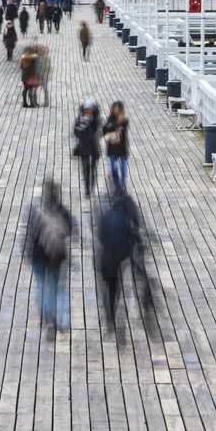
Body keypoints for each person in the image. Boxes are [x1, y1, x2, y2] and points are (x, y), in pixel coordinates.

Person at [95, 180, 144, 333]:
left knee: (108, 285)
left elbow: (100, 236)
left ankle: (109, 315)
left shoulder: (107, 215)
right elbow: (131, 236)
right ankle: (112, 310)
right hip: (119, 256)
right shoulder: (124, 219)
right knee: (115, 286)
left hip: (106, 257)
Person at [24, 180, 73, 335]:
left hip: (38, 256)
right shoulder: (62, 211)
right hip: (57, 256)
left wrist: (26, 250)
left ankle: (48, 318)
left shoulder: (35, 210)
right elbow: (70, 229)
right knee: (59, 288)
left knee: (41, 286)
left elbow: (29, 234)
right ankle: (62, 321)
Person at [72, 100, 102, 197]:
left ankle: (92, 186)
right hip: (84, 146)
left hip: (93, 146)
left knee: (93, 169)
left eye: (90, 109)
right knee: (85, 168)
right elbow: (76, 131)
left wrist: (88, 124)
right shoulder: (80, 119)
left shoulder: (96, 119)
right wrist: (82, 128)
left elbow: (97, 130)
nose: (88, 111)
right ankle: (87, 188)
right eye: (86, 109)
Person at [103, 100, 130, 187]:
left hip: (122, 147)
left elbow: (122, 133)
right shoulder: (110, 119)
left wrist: (112, 127)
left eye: (117, 108)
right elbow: (104, 130)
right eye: (114, 108)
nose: (116, 110)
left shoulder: (125, 120)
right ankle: (117, 185)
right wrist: (114, 127)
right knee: (114, 168)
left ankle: (122, 185)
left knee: (123, 169)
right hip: (112, 147)